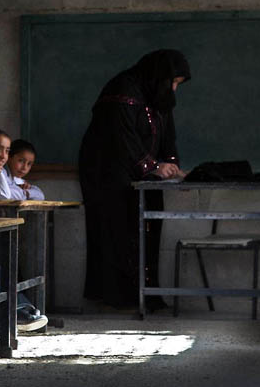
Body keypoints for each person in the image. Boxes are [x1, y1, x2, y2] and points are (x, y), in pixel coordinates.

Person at [78, 49, 190, 310]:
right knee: (117, 230)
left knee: (148, 229)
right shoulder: (124, 88)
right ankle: (121, 297)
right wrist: (152, 165)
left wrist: (171, 164)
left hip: (143, 177)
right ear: (160, 76)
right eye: (173, 82)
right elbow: (120, 136)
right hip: (108, 174)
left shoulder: (156, 92)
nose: (173, 89)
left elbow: (167, 135)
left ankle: (146, 294)